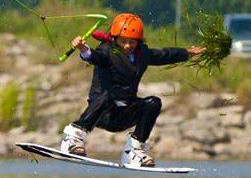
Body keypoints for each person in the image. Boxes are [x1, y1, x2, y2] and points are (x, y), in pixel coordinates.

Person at [60, 13, 205, 167]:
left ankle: (134, 151)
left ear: (138, 41)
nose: (128, 46)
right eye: (123, 41)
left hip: (123, 117)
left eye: (132, 42)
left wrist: (187, 52)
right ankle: (73, 138)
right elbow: (94, 57)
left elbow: (163, 54)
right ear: (115, 38)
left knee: (153, 103)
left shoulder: (142, 54)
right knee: (112, 93)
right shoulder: (106, 50)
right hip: (102, 114)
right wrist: (83, 48)